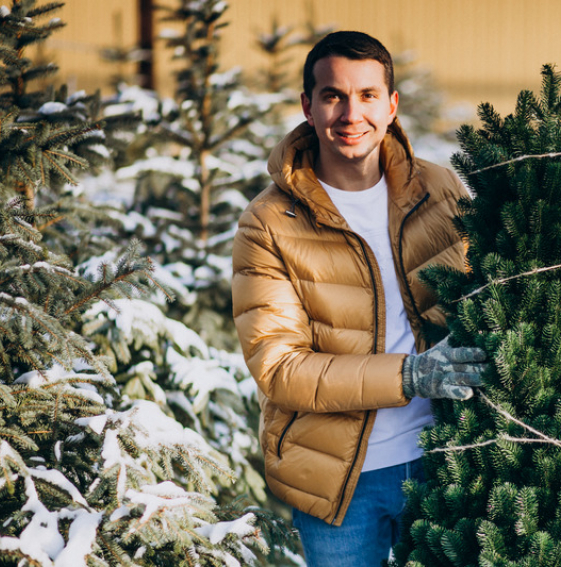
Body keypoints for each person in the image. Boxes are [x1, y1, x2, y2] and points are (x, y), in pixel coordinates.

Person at [232, 30, 487, 566]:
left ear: (392, 105)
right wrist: (409, 376)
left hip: (443, 462)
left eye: (368, 95)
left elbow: (487, 295)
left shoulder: (440, 192)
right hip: (340, 482)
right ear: (307, 105)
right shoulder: (269, 223)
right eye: (333, 95)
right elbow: (280, 369)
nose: (352, 113)